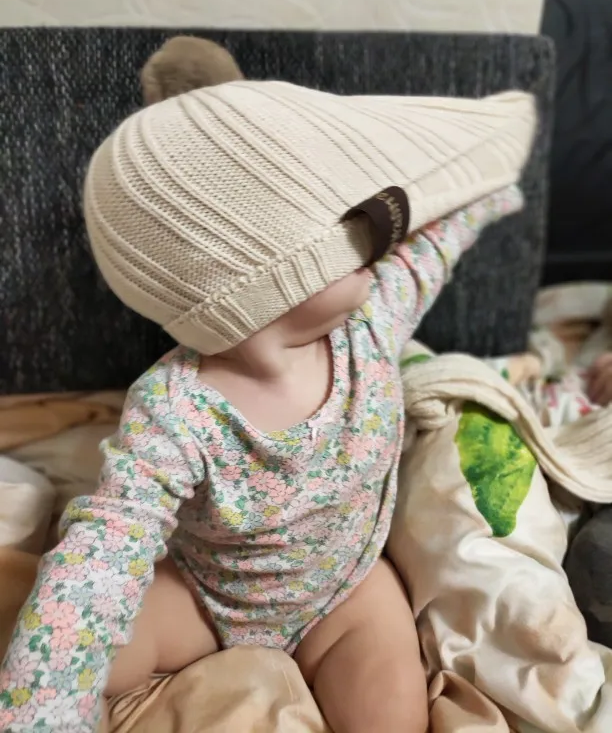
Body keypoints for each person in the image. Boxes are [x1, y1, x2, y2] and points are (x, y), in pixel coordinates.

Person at [0, 78, 534, 732]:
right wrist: (46, 706)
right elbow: (108, 548)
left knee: (393, 715)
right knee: (84, 648)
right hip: (204, 594)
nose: (382, 233)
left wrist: (494, 179)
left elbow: (435, 239)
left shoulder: (372, 323)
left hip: (344, 593)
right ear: (265, 274)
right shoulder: (174, 408)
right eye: (349, 218)